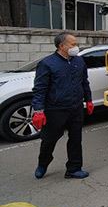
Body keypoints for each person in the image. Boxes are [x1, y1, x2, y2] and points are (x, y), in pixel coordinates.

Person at [31, 32, 94, 179]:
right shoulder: (47, 64)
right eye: (73, 44)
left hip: (76, 108)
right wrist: (38, 110)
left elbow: (84, 82)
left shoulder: (79, 62)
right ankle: (43, 163)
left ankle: (74, 168)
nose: (76, 47)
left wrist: (89, 100)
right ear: (61, 46)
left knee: (75, 139)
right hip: (56, 110)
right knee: (49, 140)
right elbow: (40, 89)